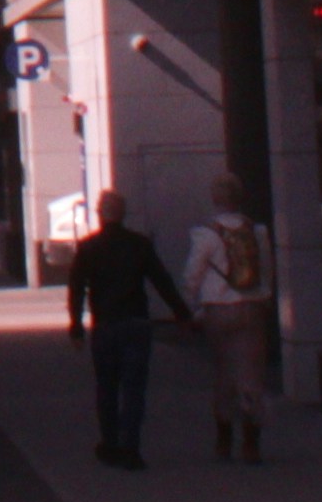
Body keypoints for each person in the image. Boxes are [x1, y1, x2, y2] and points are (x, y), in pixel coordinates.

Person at [62, 187, 189, 470]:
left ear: (99, 215)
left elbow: (76, 290)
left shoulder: (88, 248)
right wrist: (182, 313)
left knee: (107, 386)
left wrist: (76, 327)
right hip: (136, 323)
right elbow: (162, 281)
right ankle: (131, 447)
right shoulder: (139, 245)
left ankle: (109, 444)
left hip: (105, 325)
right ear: (124, 214)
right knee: (133, 388)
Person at [184, 174, 280, 464]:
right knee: (251, 375)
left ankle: (224, 439)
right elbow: (267, 272)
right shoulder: (257, 232)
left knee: (223, 373)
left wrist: (194, 306)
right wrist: (264, 300)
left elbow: (192, 276)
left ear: (215, 199)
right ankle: (251, 443)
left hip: (217, 310)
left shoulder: (206, 234)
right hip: (251, 309)